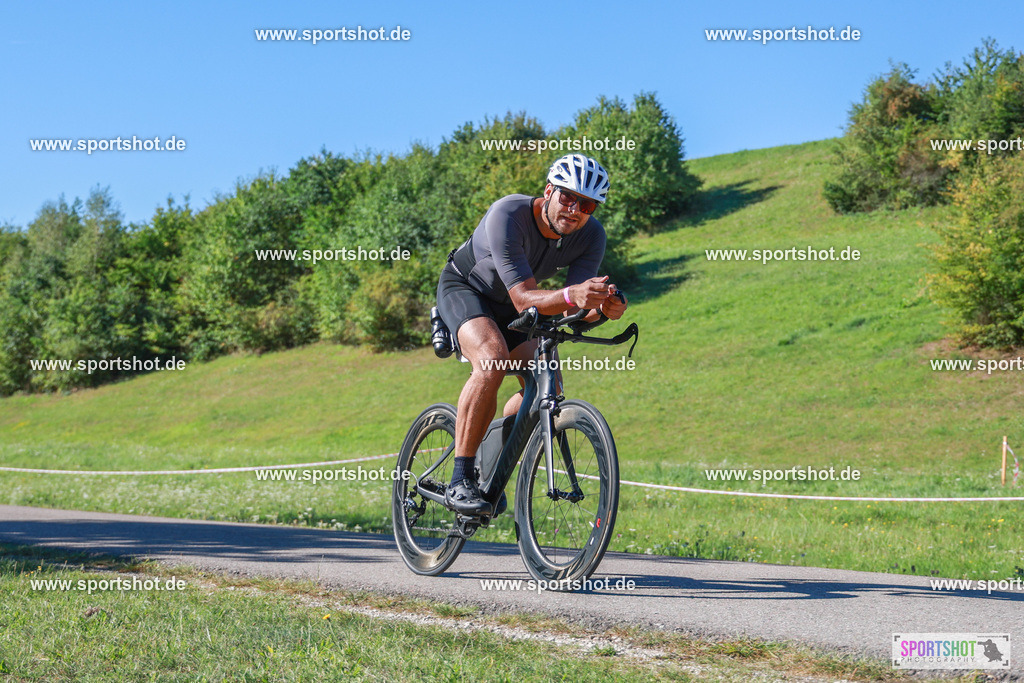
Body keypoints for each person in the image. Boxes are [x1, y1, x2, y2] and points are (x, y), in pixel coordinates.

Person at [435, 153, 628, 515]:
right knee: (492, 361)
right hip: (467, 290)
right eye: (568, 197)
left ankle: (486, 460)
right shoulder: (508, 214)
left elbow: (572, 308)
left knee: (547, 389)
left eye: (586, 204)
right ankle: (460, 478)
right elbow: (526, 298)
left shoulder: (591, 236)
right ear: (548, 190)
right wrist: (575, 296)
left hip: (518, 306)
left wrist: (603, 309)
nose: (574, 209)